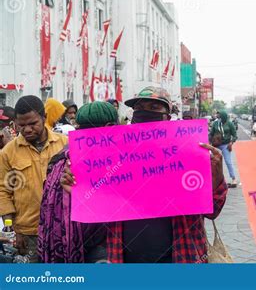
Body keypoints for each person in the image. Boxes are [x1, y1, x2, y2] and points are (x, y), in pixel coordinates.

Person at [60, 86, 228, 263]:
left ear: (168, 117)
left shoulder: (189, 153)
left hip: (180, 256)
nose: (145, 113)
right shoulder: (114, 154)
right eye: (139, 108)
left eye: (154, 108)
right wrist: (79, 190)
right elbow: (101, 209)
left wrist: (216, 179)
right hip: (125, 258)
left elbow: (212, 212)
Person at [38, 101, 118, 263]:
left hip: (58, 250)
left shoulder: (60, 158)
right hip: (101, 248)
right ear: (110, 126)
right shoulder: (114, 161)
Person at [0, 95, 68, 263]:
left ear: (44, 117)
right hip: (28, 234)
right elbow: (3, 191)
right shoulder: (8, 153)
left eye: (33, 124)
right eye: (21, 125)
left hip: (63, 229)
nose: (27, 129)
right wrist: (12, 229)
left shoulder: (65, 144)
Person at [210, 110, 238, 187]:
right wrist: (209, 143)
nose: (219, 117)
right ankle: (214, 180)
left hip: (226, 145)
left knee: (228, 162)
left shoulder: (230, 124)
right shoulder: (216, 123)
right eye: (218, 116)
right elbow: (211, 134)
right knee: (214, 162)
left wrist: (231, 142)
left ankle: (233, 179)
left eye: (220, 116)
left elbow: (235, 135)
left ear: (224, 116)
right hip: (216, 145)